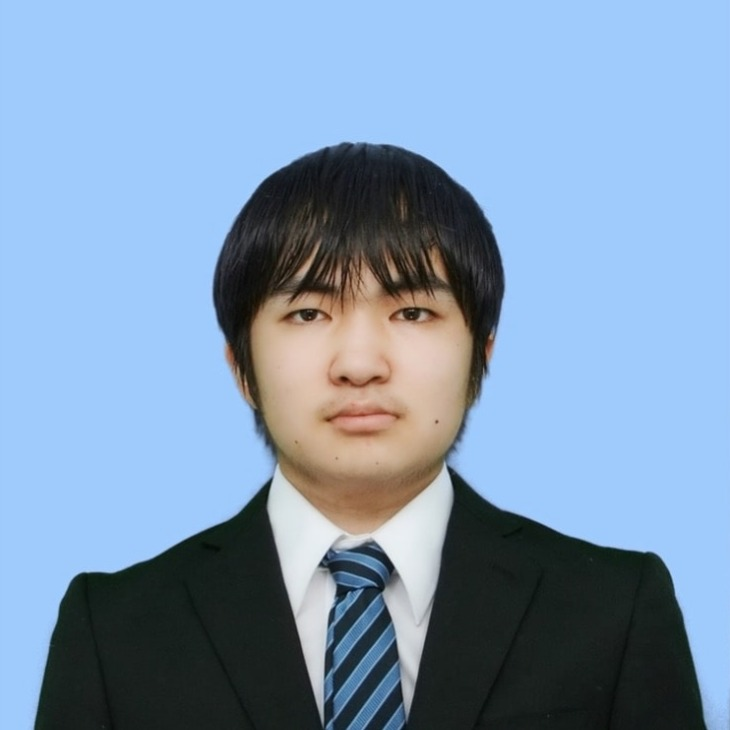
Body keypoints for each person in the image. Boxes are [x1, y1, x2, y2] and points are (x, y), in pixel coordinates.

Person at [36, 143, 706, 729]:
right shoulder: (114, 632)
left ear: (482, 354)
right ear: (241, 368)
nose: (359, 364)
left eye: (412, 311)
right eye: (308, 312)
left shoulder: (613, 612)